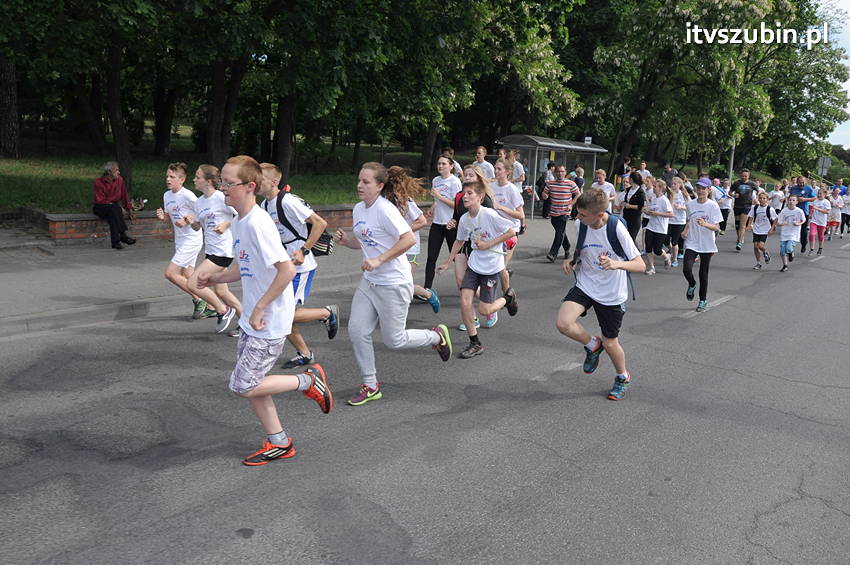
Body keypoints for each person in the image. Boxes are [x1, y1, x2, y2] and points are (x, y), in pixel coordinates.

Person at [196, 155, 333, 466]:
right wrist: (215, 278)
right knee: (255, 382)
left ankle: (308, 381)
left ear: (250, 186)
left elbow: (286, 271)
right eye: (222, 183)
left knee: (243, 384)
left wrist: (259, 307)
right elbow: (246, 268)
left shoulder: (258, 224)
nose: (223, 189)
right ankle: (279, 442)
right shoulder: (240, 221)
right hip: (253, 320)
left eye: (229, 184)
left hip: (268, 321)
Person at [334, 162, 453, 406]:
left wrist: (379, 260)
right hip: (370, 282)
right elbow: (365, 240)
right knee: (357, 331)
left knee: (394, 340)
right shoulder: (359, 209)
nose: (360, 185)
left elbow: (408, 239)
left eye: (366, 182)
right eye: (359, 180)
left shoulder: (385, 209)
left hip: (394, 283)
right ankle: (370, 385)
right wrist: (347, 241)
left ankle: (436, 336)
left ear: (379, 186)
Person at [556, 188, 644, 401]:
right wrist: (572, 260)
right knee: (563, 323)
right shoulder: (580, 224)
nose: (577, 217)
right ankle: (592, 346)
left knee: (611, 343)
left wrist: (616, 264)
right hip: (586, 284)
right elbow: (583, 250)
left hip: (611, 293)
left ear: (600, 214)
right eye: (577, 213)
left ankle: (622, 377)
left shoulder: (616, 229)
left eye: (582, 214)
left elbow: (640, 265)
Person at [256, 163, 339, 367]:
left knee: (282, 314)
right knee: (279, 313)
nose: (256, 183)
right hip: (283, 266)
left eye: (261, 179)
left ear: (274, 181)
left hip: (301, 267)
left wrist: (304, 250)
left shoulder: (287, 201)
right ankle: (305, 354)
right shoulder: (264, 205)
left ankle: (327, 313)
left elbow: (320, 223)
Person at [437, 179, 518, 359]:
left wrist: (489, 244)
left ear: (480, 197)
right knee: (465, 301)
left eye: (469, 193)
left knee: (485, 310)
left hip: (491, 267)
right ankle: (475, 343)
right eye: (463, 194)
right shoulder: (464, 219)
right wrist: (448, 262)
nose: (465, 197)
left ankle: (508, 298)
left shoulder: (489, 214)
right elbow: (459, 241)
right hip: (474, 266)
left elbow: (511, 231)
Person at [184, 164, 241, 334]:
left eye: (198, 177)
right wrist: (191, 222)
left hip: (223, 252)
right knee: (222, 291)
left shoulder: (221, 197)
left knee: (193, 283)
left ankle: (223, 310)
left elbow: (242, 214)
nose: (194, 179)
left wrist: (226, 224)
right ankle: (247, 324)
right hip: (210, 250)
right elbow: (198, 227)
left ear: (208, 181)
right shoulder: (199, 202)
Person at [155, 162, 212, 319]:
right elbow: (169, 220)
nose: (168, 179)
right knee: (188, 275)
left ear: (181, 179)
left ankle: (199, 299)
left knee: (171, 273)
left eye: (172, 177)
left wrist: (187, 220)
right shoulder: (167, 195)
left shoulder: (188, 195)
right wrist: (163, 217)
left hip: (192, 239)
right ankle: (212, 306)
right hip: (179, 240)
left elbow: (201, 213)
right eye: (167, 176)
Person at [449, 165, 497, 330]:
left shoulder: (486, 200)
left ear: (478, 179)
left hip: (481, 248)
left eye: (471, 175)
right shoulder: (459, 196)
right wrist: (453, 222)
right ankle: (472, 318)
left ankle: (490, 304)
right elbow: (457, 217)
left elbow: (493, 225)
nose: (467, 177)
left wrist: (487, 243)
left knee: (475, 284)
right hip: (464, 243)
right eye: (466, 175)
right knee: (461, 282)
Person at [681, 178, 722, 313]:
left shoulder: (713, 206)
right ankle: (692, 284)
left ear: (709, 190)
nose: (700, 191)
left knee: (703, 273)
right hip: (692, 241)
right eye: (698, 188)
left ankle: (702, 300)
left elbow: (717, 227)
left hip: (707, 243)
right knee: (686, 269)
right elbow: (690, 220)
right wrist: (685, 230)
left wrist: (705, 224)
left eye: (703, 188)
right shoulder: (690, 204)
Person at [423, 155, 462, 293]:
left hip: (451, 224)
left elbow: (457, 205)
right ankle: (427, 289)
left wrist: (440, 197)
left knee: (457, 257)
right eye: (439, 163)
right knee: (431, 257)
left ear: (451, 166)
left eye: (444, 164)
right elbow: (437, 200)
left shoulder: (455, 182)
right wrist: (432, 207)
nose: (440, 166)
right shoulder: (436, 180)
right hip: (437, 223)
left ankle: (467, 284)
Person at [491, 158, 525, 293]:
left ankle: (506, 296)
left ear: (507, 172)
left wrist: (500, 207)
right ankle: (507, 295)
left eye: (499, 169)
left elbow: (520, 214)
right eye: (495, 168)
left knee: (500, 266)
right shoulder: (491, 186)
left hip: (510, 230)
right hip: (496, 229)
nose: (496, 171)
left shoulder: (512, 189)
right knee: (497, 266)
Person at [92, 161, 136, 249]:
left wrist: (129, 210)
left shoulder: (120, 180)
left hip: (113, 208)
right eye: (116, 170)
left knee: (113, 214)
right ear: (109, 172)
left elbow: (124, 196)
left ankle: (116, 242)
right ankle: (123, 235)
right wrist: (118, 207)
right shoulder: (98, 182)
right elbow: (100, 200)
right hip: (101, 206)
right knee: (114, 209)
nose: (119, 172)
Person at [542, 165, 581, 262]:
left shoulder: (570, 183)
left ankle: (552, 254)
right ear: (556, 173)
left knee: (559, 232)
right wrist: (545, 195)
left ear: (565, 172)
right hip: (554, 212)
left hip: (565, 212)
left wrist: (571, 204)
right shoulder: (551, 183)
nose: (560, 173)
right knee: (561, 232)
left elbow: (578, 194)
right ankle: (567, 248)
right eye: (558, 171)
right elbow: (544, 193)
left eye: (562, 171)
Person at [642, 179, 673, 275]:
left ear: (661, 188)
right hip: (651, 226)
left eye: (655, 186)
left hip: (661, 228)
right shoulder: (654, 198)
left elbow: (671, 214)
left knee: (657, 250)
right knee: (648, 247)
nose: (653, 188)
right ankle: (652, 267)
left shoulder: (664, 200)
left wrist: (657, 214)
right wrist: (646, 211)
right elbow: (651, 211)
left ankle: (666, 257)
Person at [773, 194, 805, 272]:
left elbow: (803, 220)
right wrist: (782, 223)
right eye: (790, 200)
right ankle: (785, 265)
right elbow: (778, 223)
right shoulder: (784, 211)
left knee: (788, 248)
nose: (791, 201)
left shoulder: (799, 211)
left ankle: (791, 253)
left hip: (794, 234)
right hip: (784, 233)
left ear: (797, 202)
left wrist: (799, 223)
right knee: (782, 251)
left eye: (793, 200)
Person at [746, 191, 777, 270]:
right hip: (756, 229)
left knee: (760, 246)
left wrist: (772, 229)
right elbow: (751, 216)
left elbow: (775, 219)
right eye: (760, 198)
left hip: (765, 230)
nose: (762, 200)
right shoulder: (755, 207)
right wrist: (749, 225)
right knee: (755, 247)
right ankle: (758, 263)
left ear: (767, 199)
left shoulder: (770, 209)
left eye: (764, 198)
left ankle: (765, 252)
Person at [730, 169, 758, 251]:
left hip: (746, 206)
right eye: (742, 176)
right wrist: (734, 195)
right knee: (737, 225)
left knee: (742, 225)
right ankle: (739, 237)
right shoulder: (737, 183)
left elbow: (759, 191)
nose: (744, 177)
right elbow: (729, 192)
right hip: (737, 206)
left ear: (748, 176)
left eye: (745, 176)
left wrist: (756, 199)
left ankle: (739, 242)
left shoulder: (752, 184)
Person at [788, 176, 816, 253]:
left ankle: (804, 244)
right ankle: (790, 246)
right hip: (793, 211)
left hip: (804, 211)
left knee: (803, 231)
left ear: (805, 182)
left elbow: (814, 198)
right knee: (792, 229)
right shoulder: (793, 188)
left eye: (803, 182)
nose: (801, 184)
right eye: (800, 182)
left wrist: (805, 199)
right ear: (797, 182)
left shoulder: (808, 188)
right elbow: (790, 197)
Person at [667, 176, 689, 268]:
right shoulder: (669, 194)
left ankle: (675, 259)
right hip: (669, 220)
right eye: (672, 184)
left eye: (675, 184)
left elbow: (690, 206)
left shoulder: (683, 194)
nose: (673, 185)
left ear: (680, 185)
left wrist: (681, 207)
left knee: (675, 241)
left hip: (679, 221)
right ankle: (671, 251)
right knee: (665, 240)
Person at [620, 171, 646, 243]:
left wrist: (630, 206)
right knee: (624, 237)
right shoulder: (629, 189)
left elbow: (641, 206)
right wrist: (624, 203)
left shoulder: (640, 192)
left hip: (634, 218)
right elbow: (626, 199)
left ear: (631, 179)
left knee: (631, 239)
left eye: (629, 179)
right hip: (626, 216)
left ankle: (635, 249)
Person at [808, 188, 831, 256]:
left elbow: (827, 211)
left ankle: (820, 248)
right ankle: (811, 249)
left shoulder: (826, 202)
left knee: (820, 236)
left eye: (820, 193)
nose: (819, 195)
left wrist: (817, 209)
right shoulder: (815, 201)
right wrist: (811, 214)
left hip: (822, 222)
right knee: (812, 234)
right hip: (814, 220)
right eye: (818, 193)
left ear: (824, 194)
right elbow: (812, 208)